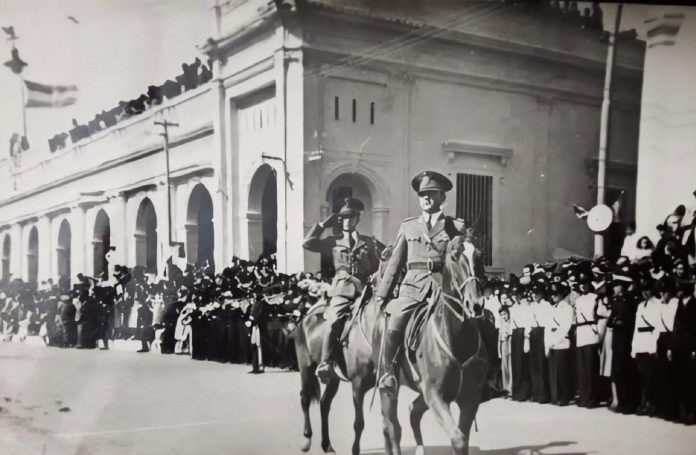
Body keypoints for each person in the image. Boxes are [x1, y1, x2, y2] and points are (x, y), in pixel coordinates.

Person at [375, 171, 468, 394]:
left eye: (431, 194)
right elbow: (395, 263)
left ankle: (483, 376)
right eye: (422, 195)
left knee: (475, 322)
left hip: (443, 287)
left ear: (441, 197)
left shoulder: (454, 226)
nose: (425, 198)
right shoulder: (409, 226)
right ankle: (388, 374)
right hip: (413, 287)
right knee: (396, 321)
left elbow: (461, 258)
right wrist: (382, 294)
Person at [302, 197, 382, 382]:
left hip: (366, 291)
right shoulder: (332, 241)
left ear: (358, 219)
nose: (348, 220)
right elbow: (308, 243)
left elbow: (381, 262)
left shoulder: (369, 242)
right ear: (339, 219)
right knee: (334, 319)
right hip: (342, 290)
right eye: (344, 217)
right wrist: (322, 225)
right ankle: (325, 363)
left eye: (352, 216)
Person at [631, 277, 661, 416]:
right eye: (643, 290)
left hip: (650, 343)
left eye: (648, 290)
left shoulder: (657, 304)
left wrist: (653, 347)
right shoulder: (640, 305)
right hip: (640, 343)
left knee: (651, 377)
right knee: (642, 376)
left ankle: (651, 403)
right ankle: (644, 402)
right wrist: (634, 348)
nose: (645, 293)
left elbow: (658, 327)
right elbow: (637, 327)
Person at [546, 282, 574, 406]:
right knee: (553, 371)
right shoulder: (552, 308)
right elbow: (548, 328)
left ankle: (564, 396)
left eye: (556, 294)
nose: (553, 297)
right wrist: (548, 344)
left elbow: (565, 327)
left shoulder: (567, 308)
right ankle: (555, 396)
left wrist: (555, 341)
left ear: (562, 294)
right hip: (552, 342)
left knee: (563, 371)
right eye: (552, 294)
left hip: (562, 342)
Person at [574, 272, 600, 407]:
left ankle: (592, 398)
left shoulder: (596, 297)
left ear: (590, 283)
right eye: (581, 283)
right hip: (581, 334)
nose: (583, 286)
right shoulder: (578, 300)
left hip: (591, 333)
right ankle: (584, 397)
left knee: (591, 368)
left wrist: (597, 332)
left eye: (585, 283)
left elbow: (598, 317)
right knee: (582, 368)